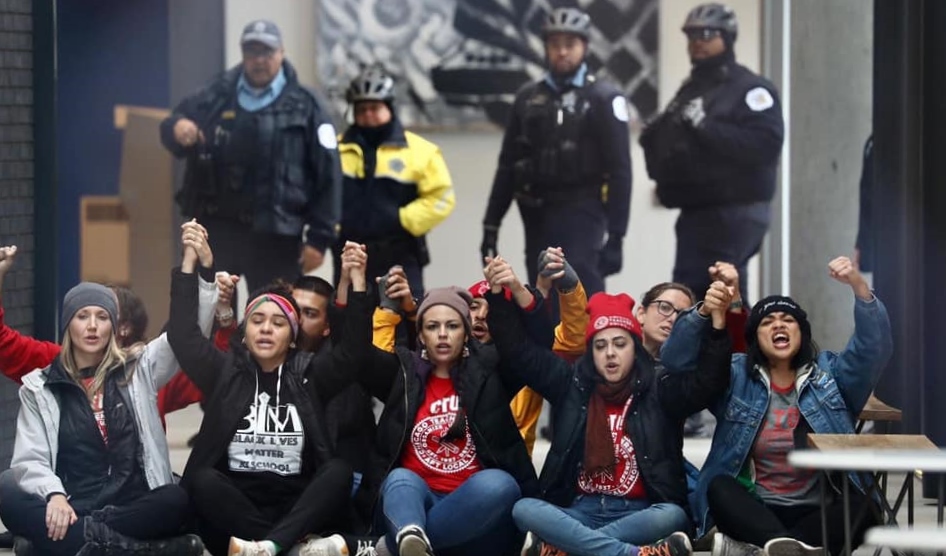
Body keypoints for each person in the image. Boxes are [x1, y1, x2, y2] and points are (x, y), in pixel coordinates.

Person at [484, 257, 734, 556]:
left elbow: (707, 383)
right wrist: (501, 294)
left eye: (619, 344)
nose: (610, 354)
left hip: (641, 512)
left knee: (673, 516)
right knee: (524, 509)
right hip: (579, 509)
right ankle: (629, 554)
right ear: (591, 352)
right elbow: (518, 352)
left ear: (634, 346)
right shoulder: (572, 383)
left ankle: (566, 549)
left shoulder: (659, 386)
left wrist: (718, 325)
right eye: (600, 346)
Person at [660, 256, 892, 556]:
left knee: (867, 508)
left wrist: (859, 286)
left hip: (817, 510)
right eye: (767, 322)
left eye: (788, 320)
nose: (778, 325)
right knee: (720, 487)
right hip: (755, 509)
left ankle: (764, 549)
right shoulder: (735, 375)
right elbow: (675, 360)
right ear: (756, 338)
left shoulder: (831, 376)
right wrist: (705, 311)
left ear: (802, 333)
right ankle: (793, 549)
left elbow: (874, 349)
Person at [167, 230, 375, 556]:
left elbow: (355, 352)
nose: (266, 328)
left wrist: (357, 281)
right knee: (203, 479)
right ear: (245, 332)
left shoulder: (310, 374)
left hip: (296, 507)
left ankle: (268, 547)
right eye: (257, 321)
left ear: (292, 337)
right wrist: (192, 263)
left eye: (278, 323)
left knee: (339, 472)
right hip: (236, 511)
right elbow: (183, 336)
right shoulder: (225, 372)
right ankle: (285, 547)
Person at [0, 275, 214, 555]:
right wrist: (54, 495)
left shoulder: (138, 368)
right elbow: (32, 458)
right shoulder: (42, 386)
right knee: (9, 489)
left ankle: (71, 540)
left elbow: (186, 337)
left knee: (174, 499)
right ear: (68, 324)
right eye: (82, 316)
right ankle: (144, 550)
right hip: (71, 502)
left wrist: (203, 278)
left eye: (102, 317)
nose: (92, 326)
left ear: (114, 326)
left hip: (128, 504)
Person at [353, 275, 538, 556]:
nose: (442, 334)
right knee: (400, 479)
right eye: (432, 326)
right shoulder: (402, 372)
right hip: (415, 503)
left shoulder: (490, 370)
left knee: (500, 484)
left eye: (452, 326)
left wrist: (503, 296)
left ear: (465, 333)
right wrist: (361, 289)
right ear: (421, 335)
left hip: (473, 512)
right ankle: (411, 537)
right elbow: (355, 355)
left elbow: (529, 345)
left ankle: (396, 547)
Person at [159, 19, 342, 288]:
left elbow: (329, 173)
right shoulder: (217, 93)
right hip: (217, 229)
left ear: (282, 53)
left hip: (277, 236)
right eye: (252, 52)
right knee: (209, 315)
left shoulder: (307, 104)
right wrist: (177, 127)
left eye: (267, 52)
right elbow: (172, 123)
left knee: (273, 317)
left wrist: (319, 239)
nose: (259, 60)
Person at [480, 6, 632, 295]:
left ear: (584, 46)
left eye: (570, 44)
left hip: (583, 211)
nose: (562, 52)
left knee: (583, 293)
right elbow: (508, 165)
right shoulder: (527, 97)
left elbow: (620, 171)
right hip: (536, 213)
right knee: (541, 294)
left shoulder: (603, 97)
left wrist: (616, 236)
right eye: (555, 44)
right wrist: (491, 224)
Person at [639, 2, 784, 300]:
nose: (697, 42)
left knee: (720, 291)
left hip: (734, 211)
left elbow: (765, 145)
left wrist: (705, 127)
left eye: (706, 34)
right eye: (691, 36)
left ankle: (736, 348)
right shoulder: (692, 89)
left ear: (727, 37)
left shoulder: (750, 89)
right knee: (688, 295)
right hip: (696, 211)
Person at [335, 67, 455, 296]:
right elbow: (320, 196)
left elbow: (442, 198)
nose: (368, 114)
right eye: (361, 109)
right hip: (349, 257)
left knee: (406, 327)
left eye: (375, 107)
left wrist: (402, 218)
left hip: (400, 254)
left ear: (389, 107)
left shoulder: (421, 151)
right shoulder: (334, 150)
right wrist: (335, 226)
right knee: (347, 327)